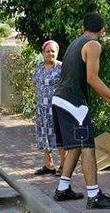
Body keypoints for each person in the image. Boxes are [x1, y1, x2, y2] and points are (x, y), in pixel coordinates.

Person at [51, 12, 110, 210]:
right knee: (87, 146)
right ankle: (94, 196)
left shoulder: (76, 43)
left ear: (83, 28)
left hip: (60, 100)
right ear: (102, 30)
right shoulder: (94, 45)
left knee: (76, 145)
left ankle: (63, 188)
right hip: (74, 104)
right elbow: (92, 78)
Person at [32, 40, 66, 176]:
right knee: (44, 136)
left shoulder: (61, 68)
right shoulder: (39, 68)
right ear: (43, 53)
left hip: (57, 109)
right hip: (42, 110)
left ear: (57, 52)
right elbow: (35, 85)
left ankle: (64, 166)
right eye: (48, 51)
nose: (50, 54)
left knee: (59, 137)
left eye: (53, 51)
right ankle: (49, 165)